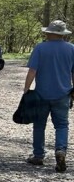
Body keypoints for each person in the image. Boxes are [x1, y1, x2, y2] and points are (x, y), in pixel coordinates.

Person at [23, 19, 74, 172]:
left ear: (50, 33)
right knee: (62, 125)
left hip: (41, 94)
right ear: (62, 34)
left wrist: (26, 90)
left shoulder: (40, 48)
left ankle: (38, 156)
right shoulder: (72, 49)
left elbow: (32, 71)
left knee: (39, 125)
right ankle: (60, 150)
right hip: (63, 94)